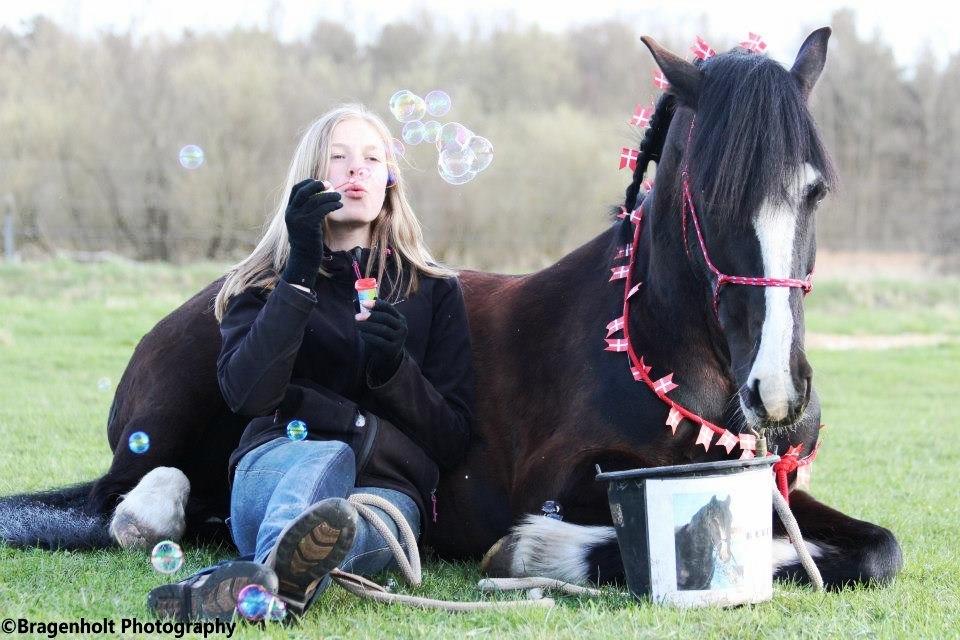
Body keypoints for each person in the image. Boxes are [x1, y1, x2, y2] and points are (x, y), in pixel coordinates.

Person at [147, 104, 475, 621]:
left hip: (383, 498)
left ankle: (253, 585)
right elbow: (249, 395)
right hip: (274, 471)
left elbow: (454, 439)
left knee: (340, 522)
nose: (355, 169)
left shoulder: (431, 290)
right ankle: (276, 580)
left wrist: (395, 372)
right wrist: (299, 273)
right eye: (338, 156)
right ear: (310, 179)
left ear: (389, 179)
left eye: (371, 157)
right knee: (328, 458)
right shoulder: (261, 284)